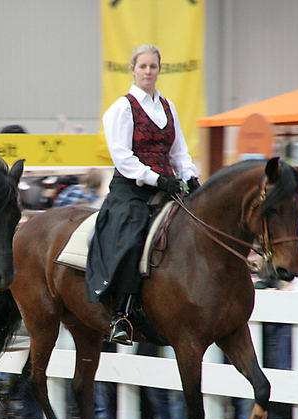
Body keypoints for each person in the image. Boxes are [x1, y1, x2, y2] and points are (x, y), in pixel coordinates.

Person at [86, 43, 199, 345]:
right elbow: (122, 157)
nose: (149, 71)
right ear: (133, 70)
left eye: (153, 66)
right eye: (143, 66)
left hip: (168, 185)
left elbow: (179, 151)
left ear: (159, 70)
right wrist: (156, 179)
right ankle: (121, 313)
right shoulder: (121, 109)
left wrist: (191, 177)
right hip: (132, 189)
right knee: (132, 234)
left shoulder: (168, 107)